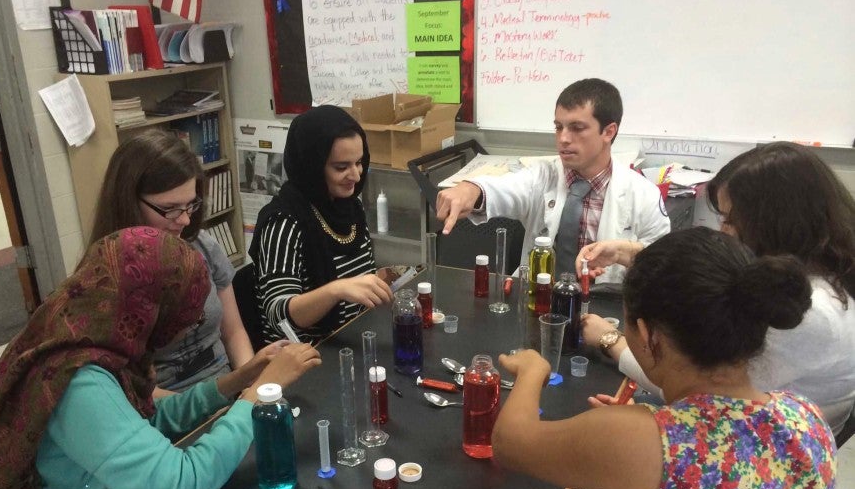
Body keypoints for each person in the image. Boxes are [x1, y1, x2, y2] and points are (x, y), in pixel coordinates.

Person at [0, 227, 321, 489]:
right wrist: (259, 395)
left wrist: (234, 382)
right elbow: (176, 484)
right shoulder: (78, 380)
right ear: (151, 308)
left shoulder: (85, 329)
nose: (187, 329)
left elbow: (143, 422)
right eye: (188, 318)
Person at [493, 227, 835, 489]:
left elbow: (510, 442)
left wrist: (532, 371)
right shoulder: (807, 417)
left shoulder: (637, 440)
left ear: (648, 335)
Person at [580, 141, 855, 436]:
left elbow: (701, 387)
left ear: (774, 225)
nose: (722, 231)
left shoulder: (806, 311)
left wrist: (610, 341)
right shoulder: (818, 272)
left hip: (760, 442)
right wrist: (632, 254)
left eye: (730, 220)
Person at [435, 78, 669, 282]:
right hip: (538, 300)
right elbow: (503, 188)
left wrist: (620, 252)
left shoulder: (643, 194)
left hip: (606, 308)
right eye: (558, 127)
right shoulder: (541, 175)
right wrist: (469, 189)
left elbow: (666, 264)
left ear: (608, 132)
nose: (563, 139)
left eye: (577, 128)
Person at [89, 129, 260, 391]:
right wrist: (218, 400)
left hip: (224, 382)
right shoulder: (104, 278)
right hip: (166, 408)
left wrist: (253, 385)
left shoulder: (203, 245)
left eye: (190, 205)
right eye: (169, 209)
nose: (185, 220)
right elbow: (132, 391)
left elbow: (233, 332)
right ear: (129, 202)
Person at [250, 105, 393, 344]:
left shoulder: (348, 206)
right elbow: (277, 314)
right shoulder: (283, 221)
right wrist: (336, 290)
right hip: (308, 357)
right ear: (312, 166)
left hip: (352, 339)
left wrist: (377, 282)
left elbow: (354, 282)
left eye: (359, 162)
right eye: (341, 167)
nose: (356, 176)